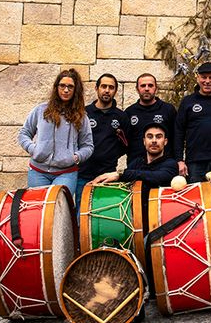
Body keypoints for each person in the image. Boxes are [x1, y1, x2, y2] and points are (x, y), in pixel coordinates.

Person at [18, 69, 94, 199]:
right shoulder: (41, 110)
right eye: (62, 85)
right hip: (38, 172)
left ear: (75, 90)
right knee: (38, 209)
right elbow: (24, 133)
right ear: (56, 87)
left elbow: (88, 146)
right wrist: (33, 149)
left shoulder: (81, 116)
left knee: (59, 208)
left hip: (66, 173)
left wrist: (76, 157)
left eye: (70, 87)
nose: (66, 90)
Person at [92, 122, 179, 229]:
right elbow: (124, 180)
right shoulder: (138, 162)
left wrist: (120, 174)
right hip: (135, 220)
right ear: (144, 141)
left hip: (162, 220)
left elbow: (159, 177)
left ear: (165, 142)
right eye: (150, 137)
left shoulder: (171, 164)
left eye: (159, 137)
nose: (154, 141)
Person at [76, 73, 131, 211]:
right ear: (96, 88)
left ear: (115, 91)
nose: (107, 90)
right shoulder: (84, 113)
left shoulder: (121, 116)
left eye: (111, 87)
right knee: (81, 214)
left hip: (107, 175)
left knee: (105, 215)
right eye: (104, 86)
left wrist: (110, 154)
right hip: (83, 174)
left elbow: (126, 144)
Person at [173, 62, 211, 183]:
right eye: (204, 77)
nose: (207, 81)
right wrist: (180, 160)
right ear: (197, 77)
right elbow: (179, 132)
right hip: (196, 162)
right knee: (197, 199)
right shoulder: (187, 102)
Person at [124, 73, 177, 164]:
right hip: (136, 165)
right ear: (137, 89)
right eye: (143, 86)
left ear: (156, 88)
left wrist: (178, 160)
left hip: (163, 165)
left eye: (150, 85)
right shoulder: (129, 112)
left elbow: (176, 137)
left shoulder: (168, 110)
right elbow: (124, 142)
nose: (147, 89)